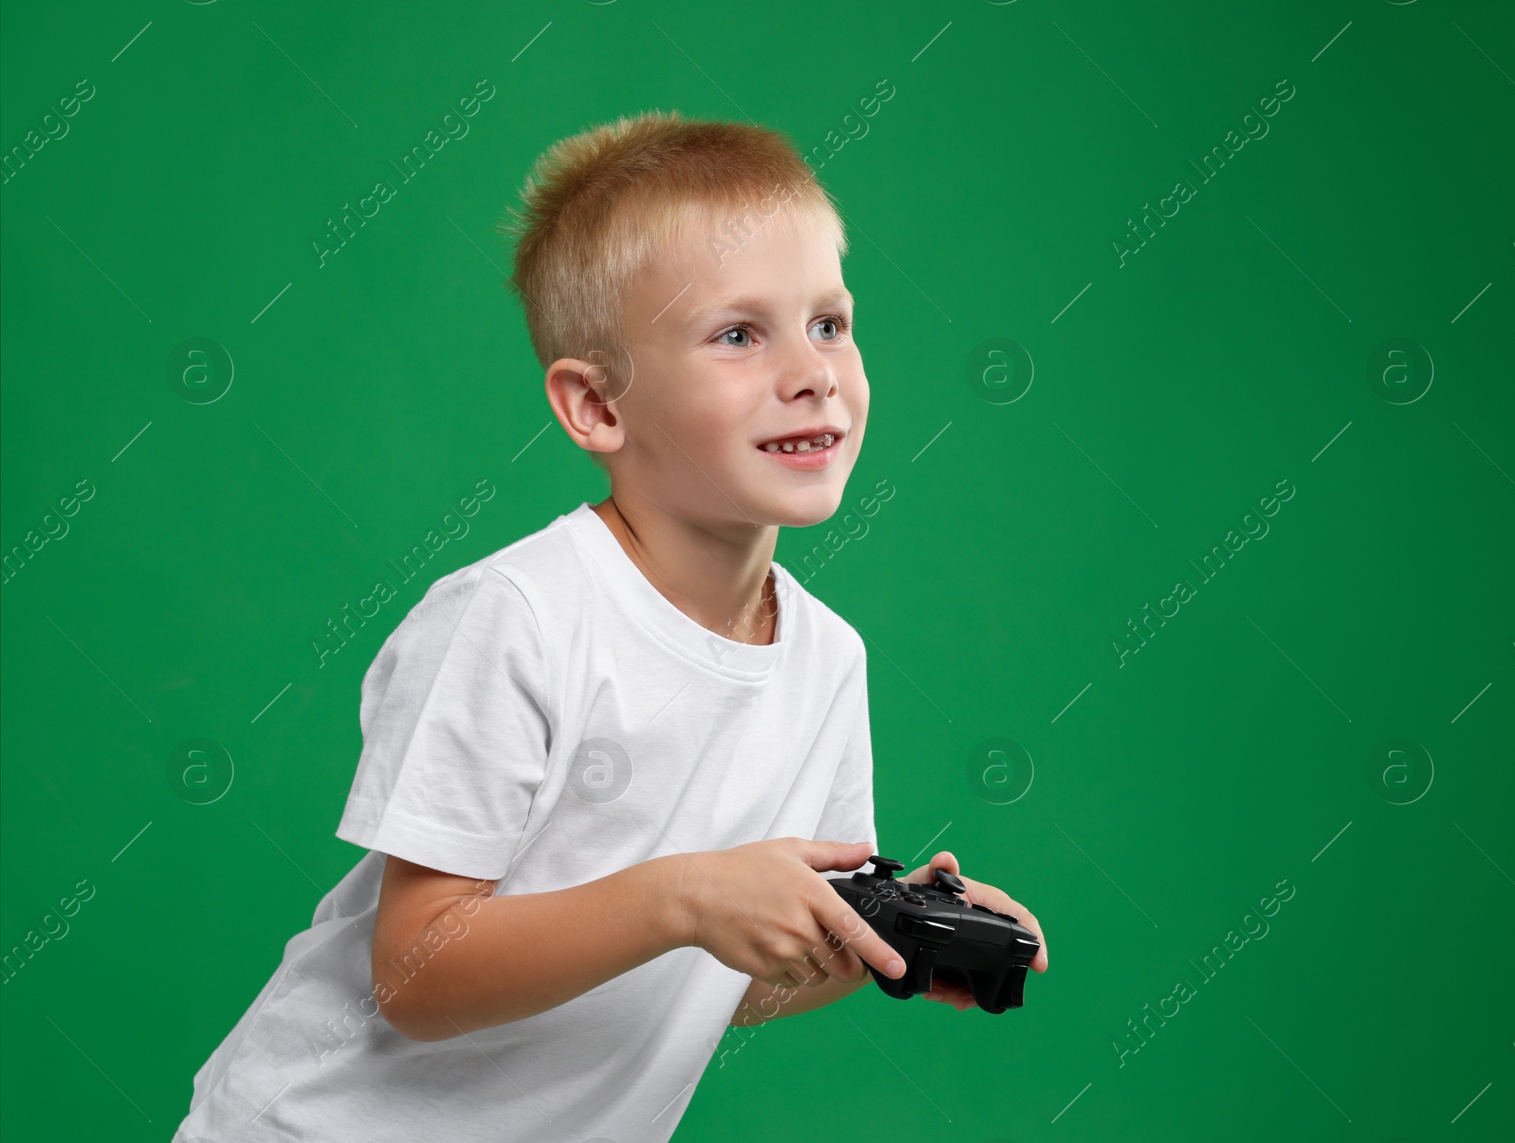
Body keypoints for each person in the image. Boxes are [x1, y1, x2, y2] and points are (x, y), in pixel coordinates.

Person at [172, 109, 1047, 1142]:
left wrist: (871, 945)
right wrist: (682, 899)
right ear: (596, 407)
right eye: (737, 334)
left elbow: (723, 980)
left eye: (829, 322)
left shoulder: (826, 660)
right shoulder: (516, 619)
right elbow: (413, 973)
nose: (812, 371)